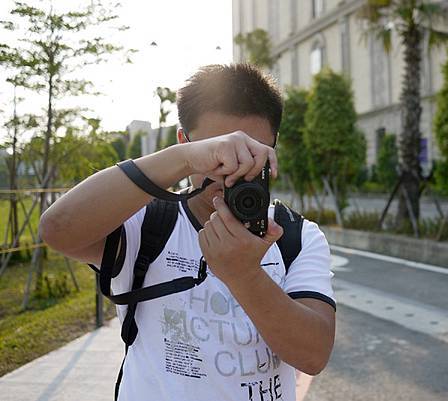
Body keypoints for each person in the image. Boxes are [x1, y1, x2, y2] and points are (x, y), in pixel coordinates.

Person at [39, 63, 336, 401]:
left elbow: (313, 355)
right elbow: (57, 229)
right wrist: (184, 159)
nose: (233, 172)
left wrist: (244, 276)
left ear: (273, 147)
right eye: (218, 154)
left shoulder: (294, 235)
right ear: (185, 142)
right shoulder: (145, 223)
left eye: (251, 153)